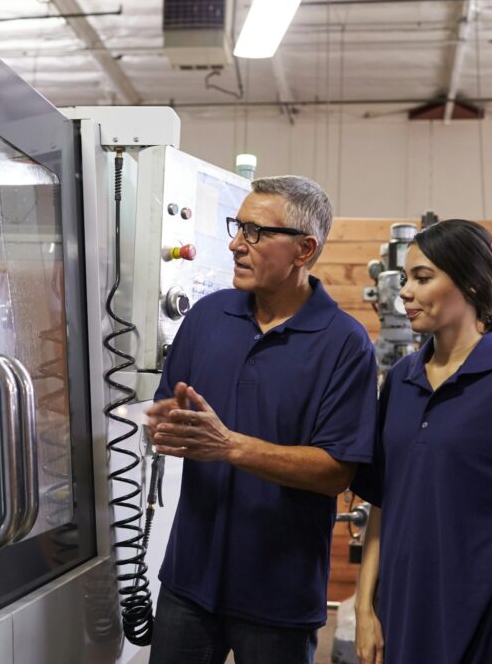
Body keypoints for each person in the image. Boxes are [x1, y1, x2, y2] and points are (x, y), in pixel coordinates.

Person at [145, 175, 378, 664]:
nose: (235, 243)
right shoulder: (207, 317)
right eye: (237, 226)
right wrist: (160, 427)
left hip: (278, 594)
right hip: (189, 580)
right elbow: (170, 414)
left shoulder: (344, 343)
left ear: (304, 249)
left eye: (254, 232)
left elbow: (336, 471)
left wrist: (228, 445)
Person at [352, 220, 492, 664]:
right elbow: (381, 502)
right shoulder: (400, 378)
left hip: (478, 612)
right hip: (399, 607)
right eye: (406, 278)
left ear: (470, 284)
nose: (405, 293)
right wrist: (363, 607)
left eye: (423, 278)